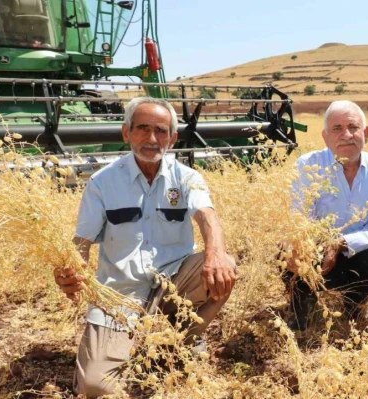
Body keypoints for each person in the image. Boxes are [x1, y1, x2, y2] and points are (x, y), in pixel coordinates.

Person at [53, 97, 238, 397]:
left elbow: (208, 218)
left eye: (161, 131)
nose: (152, 139)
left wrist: (215, 254)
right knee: (95, 387)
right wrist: (72, 268)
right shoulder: (102, 183)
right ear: (126, 132)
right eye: (143, 128)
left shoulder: (187, 178)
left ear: (173, 138)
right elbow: (82, 242)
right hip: (119, 297)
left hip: (173, 286)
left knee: (225, 266)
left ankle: (178, 341)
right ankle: (144, 345)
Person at [284, 100, 368, 330]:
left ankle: (354, 305)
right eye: (337, 129)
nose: (346, 135)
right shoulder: (307, 165)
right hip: (318, 251)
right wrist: (320, 245)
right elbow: (300, 218)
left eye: (353, 127)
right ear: (325, 137)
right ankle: (303, 306)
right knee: (288, 251)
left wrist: (342, 243)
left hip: (359, 252)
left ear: (366, 133)